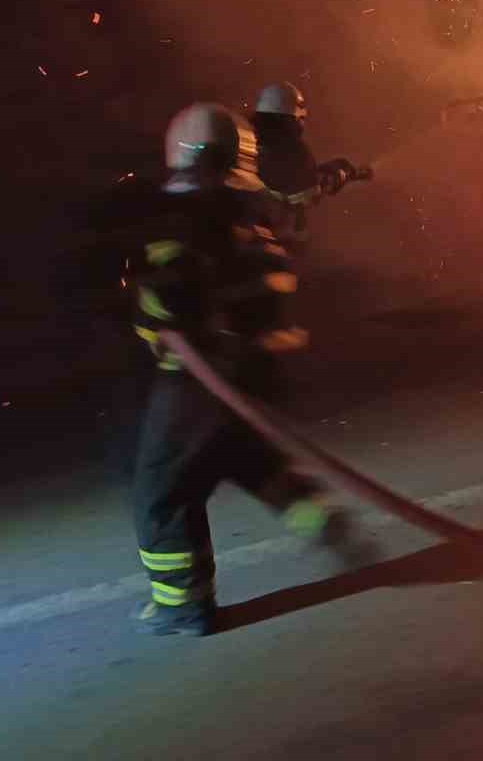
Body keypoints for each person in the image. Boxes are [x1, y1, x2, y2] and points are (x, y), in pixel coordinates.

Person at [128, 102, 357, 637]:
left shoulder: (184, 217)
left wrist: (152, 321)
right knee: (245, 457)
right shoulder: (252, 216)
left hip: (200, 382)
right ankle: (317, 516)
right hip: (256, 375)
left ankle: (182, 606)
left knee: (161, 492)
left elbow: (165, 299)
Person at [251, 82, 367, 247]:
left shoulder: (248, 139)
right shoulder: (295, 151)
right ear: (295, 117)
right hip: (265, 238)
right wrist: (337, 177)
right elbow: (306, 196)